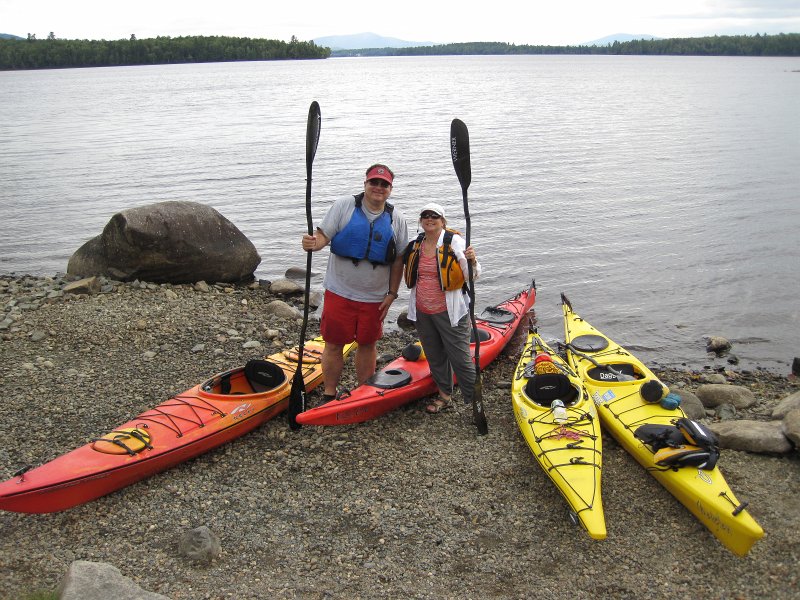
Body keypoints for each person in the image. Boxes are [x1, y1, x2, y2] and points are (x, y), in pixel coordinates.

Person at [301, 164, 409, 402]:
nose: (378, 188)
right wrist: (312, 243)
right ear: (365, 184)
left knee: (368, 344)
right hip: (340, 292)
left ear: (390, 189)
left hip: (374, 298)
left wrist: (392, 294)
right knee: (333, 344)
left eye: (384, 184)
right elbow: (323, 236)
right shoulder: (344, 206)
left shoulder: (397, 219)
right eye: (374, 182)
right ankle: (330, 392)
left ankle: (363, 392)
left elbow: (399, 259)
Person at [402, 202, 481, 413]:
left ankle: (474, 401)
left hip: (451, 312)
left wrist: (472, 261)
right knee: (435, 355)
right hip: (422, 312)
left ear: (442, 220)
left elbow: (473, 275)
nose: (430, 219)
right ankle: (445, 395)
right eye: (425, 215)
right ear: (421, 220)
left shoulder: (454, 241)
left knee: (461, 359)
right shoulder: (417, 243)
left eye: (434, 216)